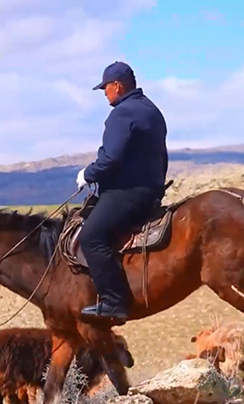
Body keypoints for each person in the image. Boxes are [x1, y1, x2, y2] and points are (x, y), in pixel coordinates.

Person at [76, 61, 169, 321]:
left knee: (91, 238)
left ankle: (113, 302)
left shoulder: (122, 113)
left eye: (105, 88)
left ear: (117, 86)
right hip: (150, 190)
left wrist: (88, 174)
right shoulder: (151, 109)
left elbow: (111, 158)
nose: (105, 93)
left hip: (129, 192)